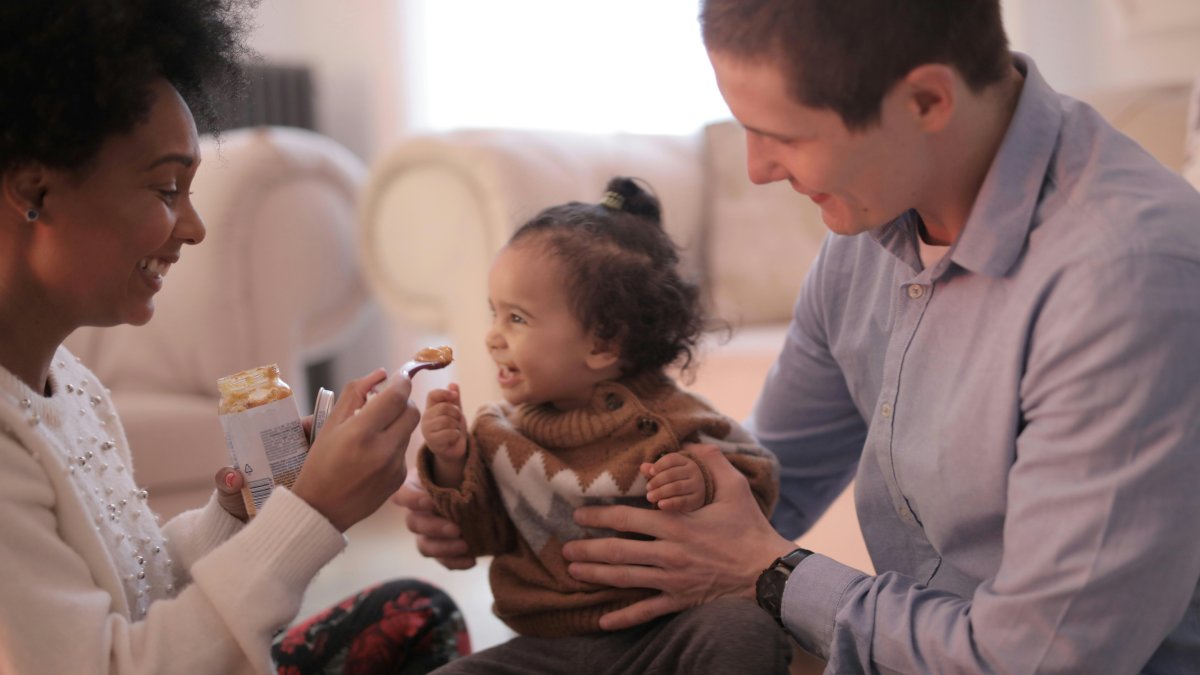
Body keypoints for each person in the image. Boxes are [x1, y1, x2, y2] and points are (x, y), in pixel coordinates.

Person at [399, 1, 1200, 672]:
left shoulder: (1126, 280)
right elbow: (763, 477)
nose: (755, 169)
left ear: (927, 101)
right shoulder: (871, 230)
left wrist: (775, 574)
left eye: (784, 134)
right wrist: (500, 501)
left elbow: (1038, 659)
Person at [0, 2, 466, 673]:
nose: (193, 228)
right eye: (167, 189)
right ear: (34, 190)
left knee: (414, 613)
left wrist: (251, 508)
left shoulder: (70, 384)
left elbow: (136, 590)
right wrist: (315, 511)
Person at [412, 177, 791, 673]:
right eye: (494, 314)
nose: (492, 337)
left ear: (603, 343)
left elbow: (756, 484)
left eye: (517, 319)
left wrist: (700, 483)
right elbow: (477, 535)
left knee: (743, 630)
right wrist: (449, 461)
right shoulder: (497, 435)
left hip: (666, 635)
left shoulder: (676, 422)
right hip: (545, 653)